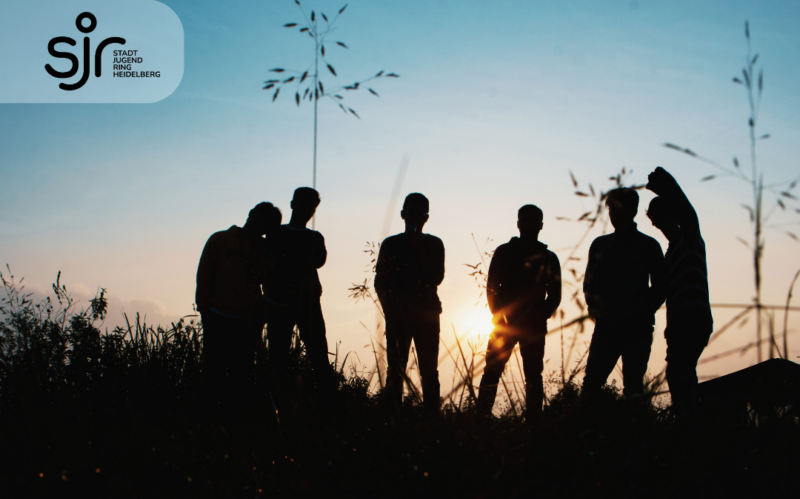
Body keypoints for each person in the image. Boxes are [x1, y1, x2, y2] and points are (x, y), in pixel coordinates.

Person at [477, 205, 562, 422]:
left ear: (541, 225)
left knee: (533, 375)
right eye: (526, 220)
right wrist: (500, 316)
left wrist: (540, 315)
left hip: (533, 326)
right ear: (518, 223)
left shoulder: (548, 257)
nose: (530, 224)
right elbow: (492, 288)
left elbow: (554, 295)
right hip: (504, 325)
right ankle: (480, 418)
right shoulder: (504, 252)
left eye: (534, 220)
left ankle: (533, 421)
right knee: (492, 372)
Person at [581, 187, 665, 399]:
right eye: (611, 209)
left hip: (637, 328)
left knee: (634, 388)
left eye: (618, 209)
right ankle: (582, 428)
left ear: (632, 210)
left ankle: (632, 431)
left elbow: (661, 287)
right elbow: (589, 283)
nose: (614, 215)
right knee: (591, 384)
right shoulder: (600, 245)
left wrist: (642, 312)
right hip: (607, 327)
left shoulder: (649, 246)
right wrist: (594, 308)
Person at [195, 202, 283, 401]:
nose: (262, 225)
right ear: (251, 214)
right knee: (212, 374)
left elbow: (270, 282)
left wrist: (262, 315)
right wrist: (205, 311)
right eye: (261, 218)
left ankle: (234, 422)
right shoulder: (220, 240)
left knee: (240, 376)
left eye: (268, 224)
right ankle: (207, 420)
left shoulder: (265, 249)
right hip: (216, 317)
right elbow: (205, 275)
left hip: (247, 321)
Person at [646, 167, 713, 420]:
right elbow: (663, 294)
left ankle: (692, 427)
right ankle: (691, 425)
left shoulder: (689, 237)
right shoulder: (670, 254)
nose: (657, 221)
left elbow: (688, 212)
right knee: (681, 375)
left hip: (694, 318)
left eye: (660, 214)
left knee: (678, 373)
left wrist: (664, 185)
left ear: (671, 213)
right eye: (653, 218)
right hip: (678, 326)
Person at [375, 193, 445, 415]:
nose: (415, 217)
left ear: (426, 217)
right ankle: (392, 418)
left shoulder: (434, 244)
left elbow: (436, 278)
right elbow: (380, 281)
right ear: (403, 214)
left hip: (427, 316)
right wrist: (389, 309)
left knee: (429, 371)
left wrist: (418, 248)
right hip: (398, 316)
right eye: (411, 212)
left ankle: (432, 420)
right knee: (395, 370)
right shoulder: (391, 244)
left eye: (420, 213)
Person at [266, 187, 336, 408]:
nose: (307, 210)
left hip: (309, 304)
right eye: (304, 205)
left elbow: (318, 261)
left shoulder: (315, 237)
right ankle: (277, 405)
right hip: (280, 303)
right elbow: (270, 263)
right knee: (278, 357)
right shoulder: (276, 233)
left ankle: (327, 405)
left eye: (311, 207)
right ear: (292, 205)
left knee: (319, 357)